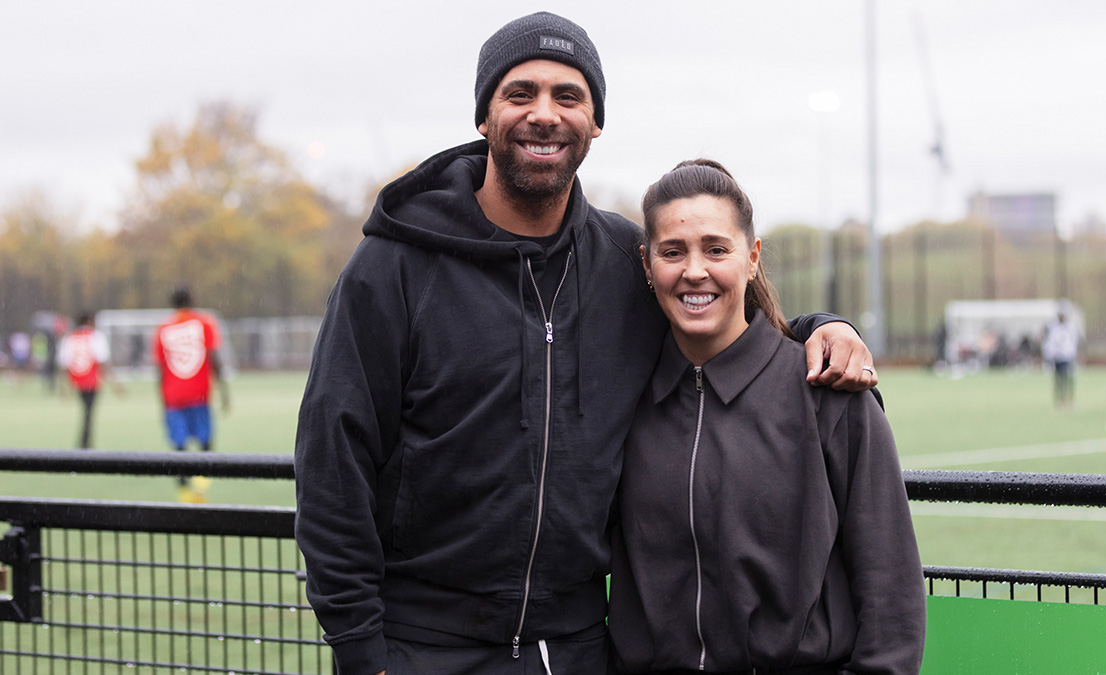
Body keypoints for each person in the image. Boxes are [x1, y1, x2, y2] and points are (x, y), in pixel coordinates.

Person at [293, 13, 879, 675]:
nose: (544, 113)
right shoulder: (394, 267)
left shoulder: (622, 265)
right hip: (418, 645)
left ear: (594, 123)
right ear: (485, 116)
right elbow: (332, 463)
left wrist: (823, 325)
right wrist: (360, 649)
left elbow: (718, 314)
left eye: (568, 96)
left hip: (576, 646)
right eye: (521, 93)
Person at [608, 160, 924, 675]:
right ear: (647, 266)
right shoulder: (623, 401)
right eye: (673, 252)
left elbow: (892, 596)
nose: (694, 270)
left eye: (716, 249)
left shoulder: (830, 394)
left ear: (752, 258)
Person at [152, 287, 230, 503]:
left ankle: (184, 491)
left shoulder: (162, 329)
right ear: (192, 300)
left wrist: (161, 402)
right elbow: (214, 358)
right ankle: (201, 483)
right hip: (200, 394)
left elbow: (160, 368)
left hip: (173, 398)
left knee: (179, 446)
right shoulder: (204, 323)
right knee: (206, 441)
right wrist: (224, 391)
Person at [57, 312, 111, 449]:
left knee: (87, 411)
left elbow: (64, 362)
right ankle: (85, 442)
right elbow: (102, 359)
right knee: (88, 412)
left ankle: (85, 441)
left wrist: (63, 386)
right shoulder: (95, 336)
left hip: (77, 381)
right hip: (91, 382)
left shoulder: (69, 337)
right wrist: (115, 383)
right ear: (89, 321)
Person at [1043, 309, 1080, 409]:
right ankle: (1058, 401)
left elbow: (1073, 342)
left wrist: (1074, 354)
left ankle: (1069, 401)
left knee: (1068, 379)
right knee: (1057, 380)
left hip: (1067, 356)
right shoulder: (1053, 327)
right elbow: (1049, 342)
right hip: (1056, 357)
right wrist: (1048, 355)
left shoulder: (1070, 327)